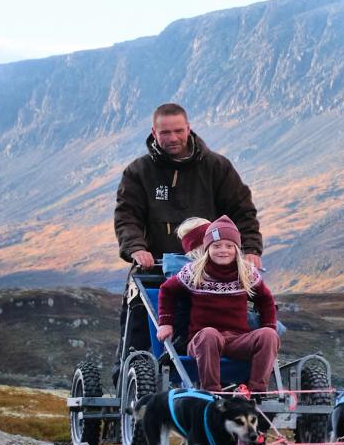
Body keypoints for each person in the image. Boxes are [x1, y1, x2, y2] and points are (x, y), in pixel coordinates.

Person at [114, 103, 263, 271]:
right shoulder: (138, 171)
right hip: (156, 268)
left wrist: (251, 249)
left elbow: (242, 211)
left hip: (212, 268)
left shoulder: (217, 167)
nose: (173, 138)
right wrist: (136, 248)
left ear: (188, 128)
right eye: (165, 132)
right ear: (154, 133)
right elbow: (127, 216)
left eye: (178, 131)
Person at [156, 217, 279, 392]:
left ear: (236, 249)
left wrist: (269, 326)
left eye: (229, 246)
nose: (223, 251)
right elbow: (167, 290)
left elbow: (266, 299)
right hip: (202, 340)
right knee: (209, 335)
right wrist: (165, 323)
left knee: (269, 335)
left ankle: (256, 392)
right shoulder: (194, 272)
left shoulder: (246, 273)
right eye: (216, 246)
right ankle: (212, 392)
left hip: (237, 339)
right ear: (207, 248)